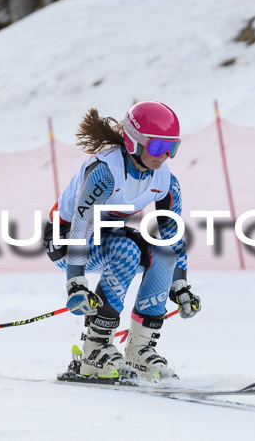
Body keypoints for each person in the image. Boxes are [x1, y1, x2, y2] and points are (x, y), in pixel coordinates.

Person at [43, 101, 201, 382]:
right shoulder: (105, 173)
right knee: (126, 250)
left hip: (107, 235)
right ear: (133, 142)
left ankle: (140, 350)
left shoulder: (166, 180)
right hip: (66, 239)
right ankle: (94, 349)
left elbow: (172, 235)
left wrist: (180, 284)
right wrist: (76, 284)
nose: (164, 156)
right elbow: (81, 228)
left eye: (172, 148)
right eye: (156, 147)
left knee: (164, 254)